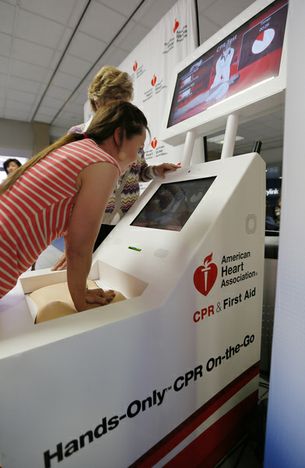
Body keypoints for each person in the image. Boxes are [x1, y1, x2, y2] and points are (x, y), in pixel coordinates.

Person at [0, 101, 148, 312]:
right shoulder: (103, 164)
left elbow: (73, 238)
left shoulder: (76, 148)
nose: (136, 159)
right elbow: (80, 248)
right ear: (119, 135)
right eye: (139, 148)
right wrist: (81, 299)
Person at [53, 66, 179, 270]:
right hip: (93, 221)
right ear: (97, 102)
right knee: (85, 272)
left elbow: (139, 172)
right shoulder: (79, 134)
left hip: (127, 220)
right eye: (112, 102)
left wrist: (156, 171)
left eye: (124, 102)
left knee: (120, 273)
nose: (118, 111)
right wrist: (72, 239)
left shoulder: (132, 134)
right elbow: (72, 188)